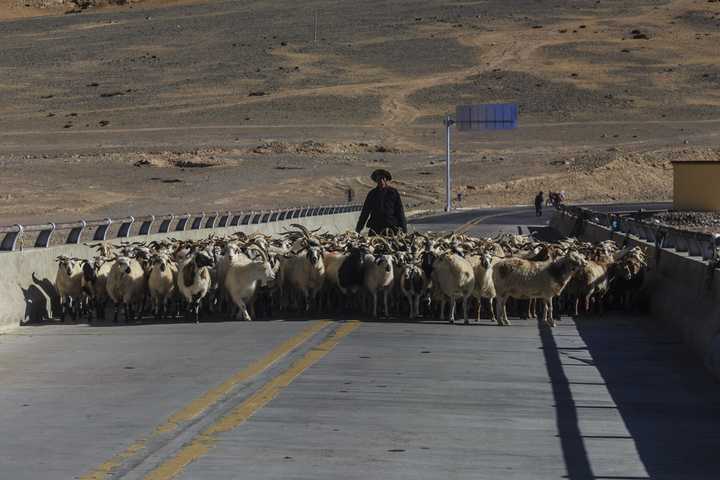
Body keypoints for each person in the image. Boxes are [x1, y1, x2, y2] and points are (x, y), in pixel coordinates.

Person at [356, 169, 407, 235]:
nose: (381, 181)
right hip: (375, 229)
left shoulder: (393, 192)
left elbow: (399, 211)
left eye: (383, 178)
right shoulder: (372, 194)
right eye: (379, 179)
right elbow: (365, 212)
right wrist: (358, 229)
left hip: (391, 229)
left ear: (386, 179)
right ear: (376, 180)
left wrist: (404, 228)